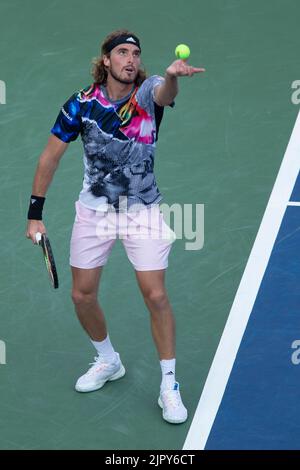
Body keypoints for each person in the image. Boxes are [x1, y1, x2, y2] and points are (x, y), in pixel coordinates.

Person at [26, 30, 205, 424]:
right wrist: (35, 213)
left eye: (136, 54)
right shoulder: (81, 104)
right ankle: (109, 361)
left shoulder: (148, 93)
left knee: (155, 295)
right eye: (122, 52)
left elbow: (164, 94)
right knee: (81, 296)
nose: (131, 59)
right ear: (105, 60)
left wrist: (172, 76)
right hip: (94, 213)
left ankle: (168, 384)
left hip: (143, 211)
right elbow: (50, 157)